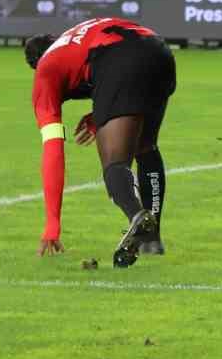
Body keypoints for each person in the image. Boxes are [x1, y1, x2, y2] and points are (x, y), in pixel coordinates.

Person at [22, 17, 177, 268]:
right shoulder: (76, 36)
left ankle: (138, 216)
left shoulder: (45, 71)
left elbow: (53, 150)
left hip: (120, 61)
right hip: (160, 53)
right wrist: (98, 116)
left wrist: (52, 225)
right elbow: (112, 75)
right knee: (146, 145)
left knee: (115, 165)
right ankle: (151, 240)